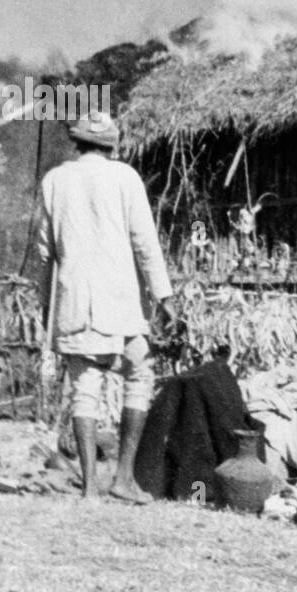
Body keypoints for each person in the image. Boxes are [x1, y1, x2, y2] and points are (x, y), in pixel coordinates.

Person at [35, 110, 174, 503]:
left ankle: (91, 487)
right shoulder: (125, 177)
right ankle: (123, 478)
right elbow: (145, 242)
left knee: (84, 388)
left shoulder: (54, 181)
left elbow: (45, 254)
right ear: (111, 144)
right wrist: (163, 296)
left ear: (77, 142)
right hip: (122, 301)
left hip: (74, 301)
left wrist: (47, 309)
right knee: (139, 373)